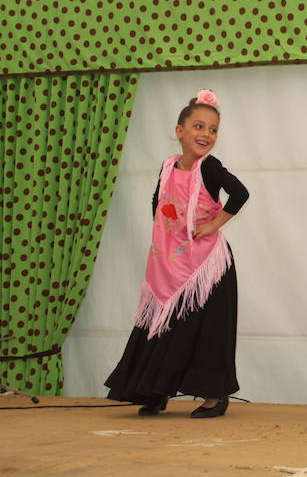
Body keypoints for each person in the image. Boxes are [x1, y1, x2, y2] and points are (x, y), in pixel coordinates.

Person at [105, 89, 249, 418]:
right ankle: (153, 391)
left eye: (213, 130)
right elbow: (158, 204)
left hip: (206, 268)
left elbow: (239, 193)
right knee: (161, 327)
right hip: (169, 263)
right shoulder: (167, 166)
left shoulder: (209, 168)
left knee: (206, 332)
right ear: (179, 130)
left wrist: (214, 225)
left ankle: (215, 396)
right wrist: (165, 242)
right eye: (199, 126)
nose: (206, 135)